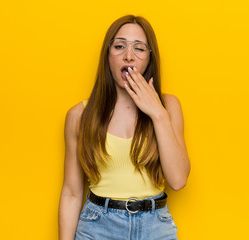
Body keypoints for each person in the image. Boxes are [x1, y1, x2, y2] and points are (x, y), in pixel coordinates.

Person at [58, 14, 190, 240]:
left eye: (139, 49)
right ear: (107, 55)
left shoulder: (168, 107)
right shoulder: (79, 116)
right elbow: (71, 193)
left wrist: (157, 113)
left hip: (156, 228)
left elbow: (178, 180)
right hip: (97, 227)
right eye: (119, 46)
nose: (128, 56)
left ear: (150, 58)